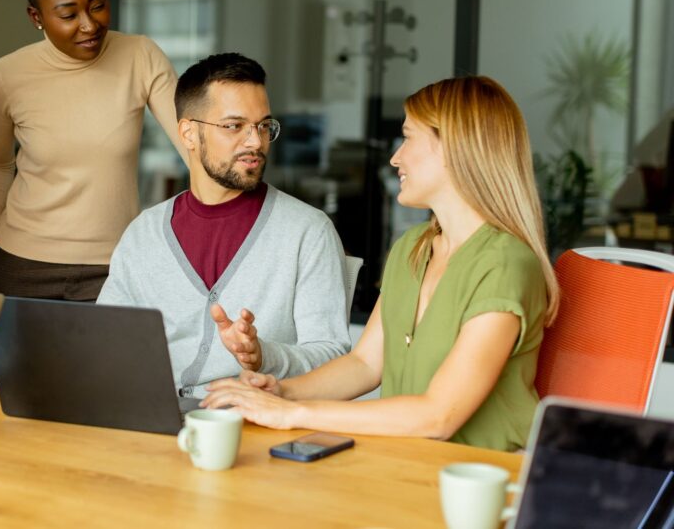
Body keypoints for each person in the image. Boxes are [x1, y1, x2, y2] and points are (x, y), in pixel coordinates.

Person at [203, 75, 560, 452]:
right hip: (406, 466)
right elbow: (364, 364)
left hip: (481, 480)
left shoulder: (505, 264)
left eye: (408, 138)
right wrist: (283, 392)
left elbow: (439, 416)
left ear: (454, 147)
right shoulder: (412, 248)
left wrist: (293, 414)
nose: (395, 157)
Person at [98, 53, 351, 399]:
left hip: (252, 424)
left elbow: (335, 358)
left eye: (264, 126)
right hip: (149, 420)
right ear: (188, 133)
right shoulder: (143, 234)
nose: (255, 142)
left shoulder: (308, 231)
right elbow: (104, 342)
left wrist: (265, 355)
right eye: (235, 126)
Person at [0, 0, 187, 301]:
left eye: (98, 4)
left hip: (114, 268)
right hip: (20, 266)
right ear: (36, 17)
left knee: (114, 366)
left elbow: (192, 142)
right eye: (68, 14)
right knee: (21, 369)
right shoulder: (3, 77)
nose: (90, 25)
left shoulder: (140, 55)